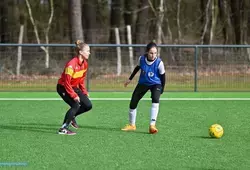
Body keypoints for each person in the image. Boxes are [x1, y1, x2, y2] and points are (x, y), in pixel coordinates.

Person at [121, 42, 166, 134]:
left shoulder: (159, 63)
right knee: (133, 101)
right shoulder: (141, 59)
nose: (153, 55)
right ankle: (132, 125)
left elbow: (163, 77)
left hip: (155, 84)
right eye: (151, 53)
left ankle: (152, 125)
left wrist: (162, 88)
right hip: (143, 83)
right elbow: (137, 68)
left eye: (155, 53)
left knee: (155, 99)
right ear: (147, 52)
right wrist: (130, 79)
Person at [57, 40, 92, 135]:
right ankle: (63, 129)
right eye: (88, 51)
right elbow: (67, 83)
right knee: (76, 105)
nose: (89, 52)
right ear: (80, 52)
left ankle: (72, 116)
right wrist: (74, 95)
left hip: (73, 87)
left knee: (88, 105)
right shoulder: (71, 65)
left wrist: (84, 92)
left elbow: (81, 80)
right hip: (63, 87)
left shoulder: (85, 64)